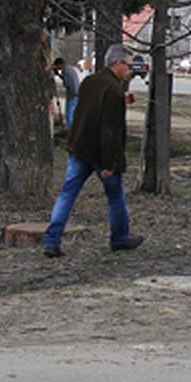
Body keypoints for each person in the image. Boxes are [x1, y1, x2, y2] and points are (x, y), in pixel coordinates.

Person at [42, 44, 144, 258]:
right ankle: (119, 238)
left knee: (67, 194)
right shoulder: (115, 90)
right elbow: (110, 130)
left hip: (79, 146)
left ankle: (51, 240)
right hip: (100, 153)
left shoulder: (90, 82)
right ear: (118, 64)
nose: (131, 70)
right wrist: (109, 164)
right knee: (115, 196)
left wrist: (121, 101)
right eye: (128, 65)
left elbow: (91, 108)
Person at [52, 56, 81, 128]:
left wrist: (59, 75)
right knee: (74, 114)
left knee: (69, 115)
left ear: (60, 65)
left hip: (72, 94)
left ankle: (70, 130)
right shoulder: (70, 69)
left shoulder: (65, 71)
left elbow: (67, 83)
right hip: (76, 94)